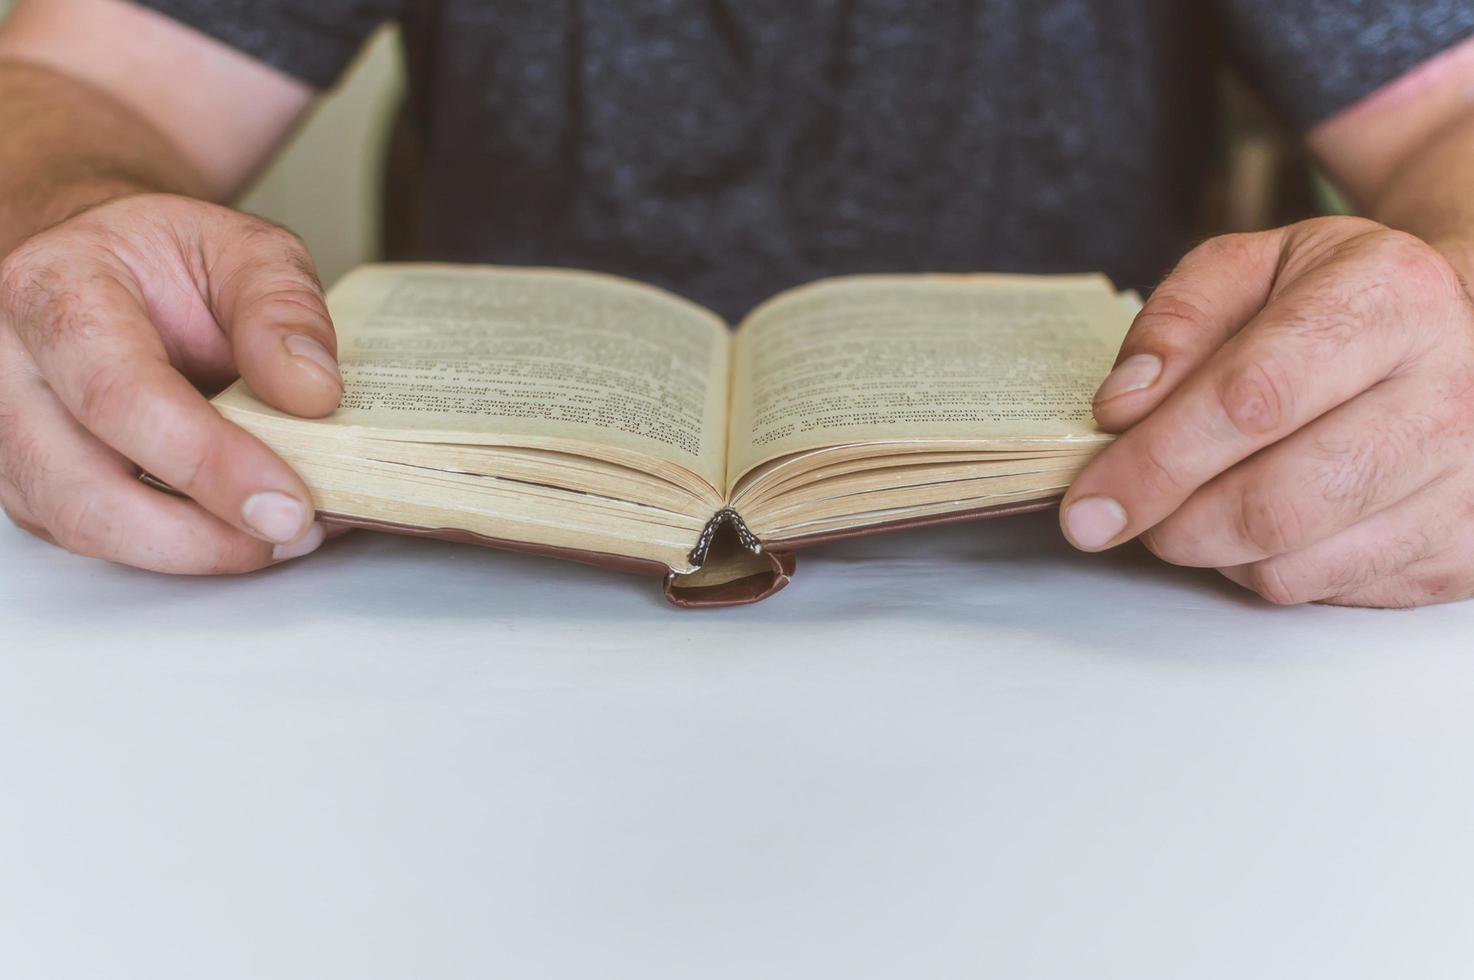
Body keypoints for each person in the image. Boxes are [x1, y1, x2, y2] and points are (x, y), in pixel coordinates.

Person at [0, 0, 1471, 607]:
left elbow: (1442, 123)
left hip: (1109, 584)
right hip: (439, 587)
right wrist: (64, 227)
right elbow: (75, 82)